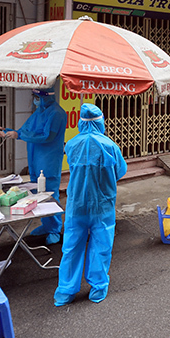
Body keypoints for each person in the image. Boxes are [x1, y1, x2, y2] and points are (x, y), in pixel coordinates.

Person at [54, 104, 127, 306]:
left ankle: (65, 291)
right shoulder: (110, 146)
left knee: (71, 247)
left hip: (76, 205)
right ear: (101, 121)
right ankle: (97, 287)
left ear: (80, 122)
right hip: (102, 207)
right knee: (101, 247)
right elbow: (120, 171)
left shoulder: (71, 145)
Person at [0, 87, 65, 245]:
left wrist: (19, 134)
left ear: (45, 97)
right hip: (35, 160)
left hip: (48, 161)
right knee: (38, 194)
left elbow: (47, 136)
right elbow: (25, 130)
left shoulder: (56, 113)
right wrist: (9, 132)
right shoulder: (38, 112)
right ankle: (45, 225)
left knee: (49, 195)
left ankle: (54, 229)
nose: (34, 100)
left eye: (36, 97)